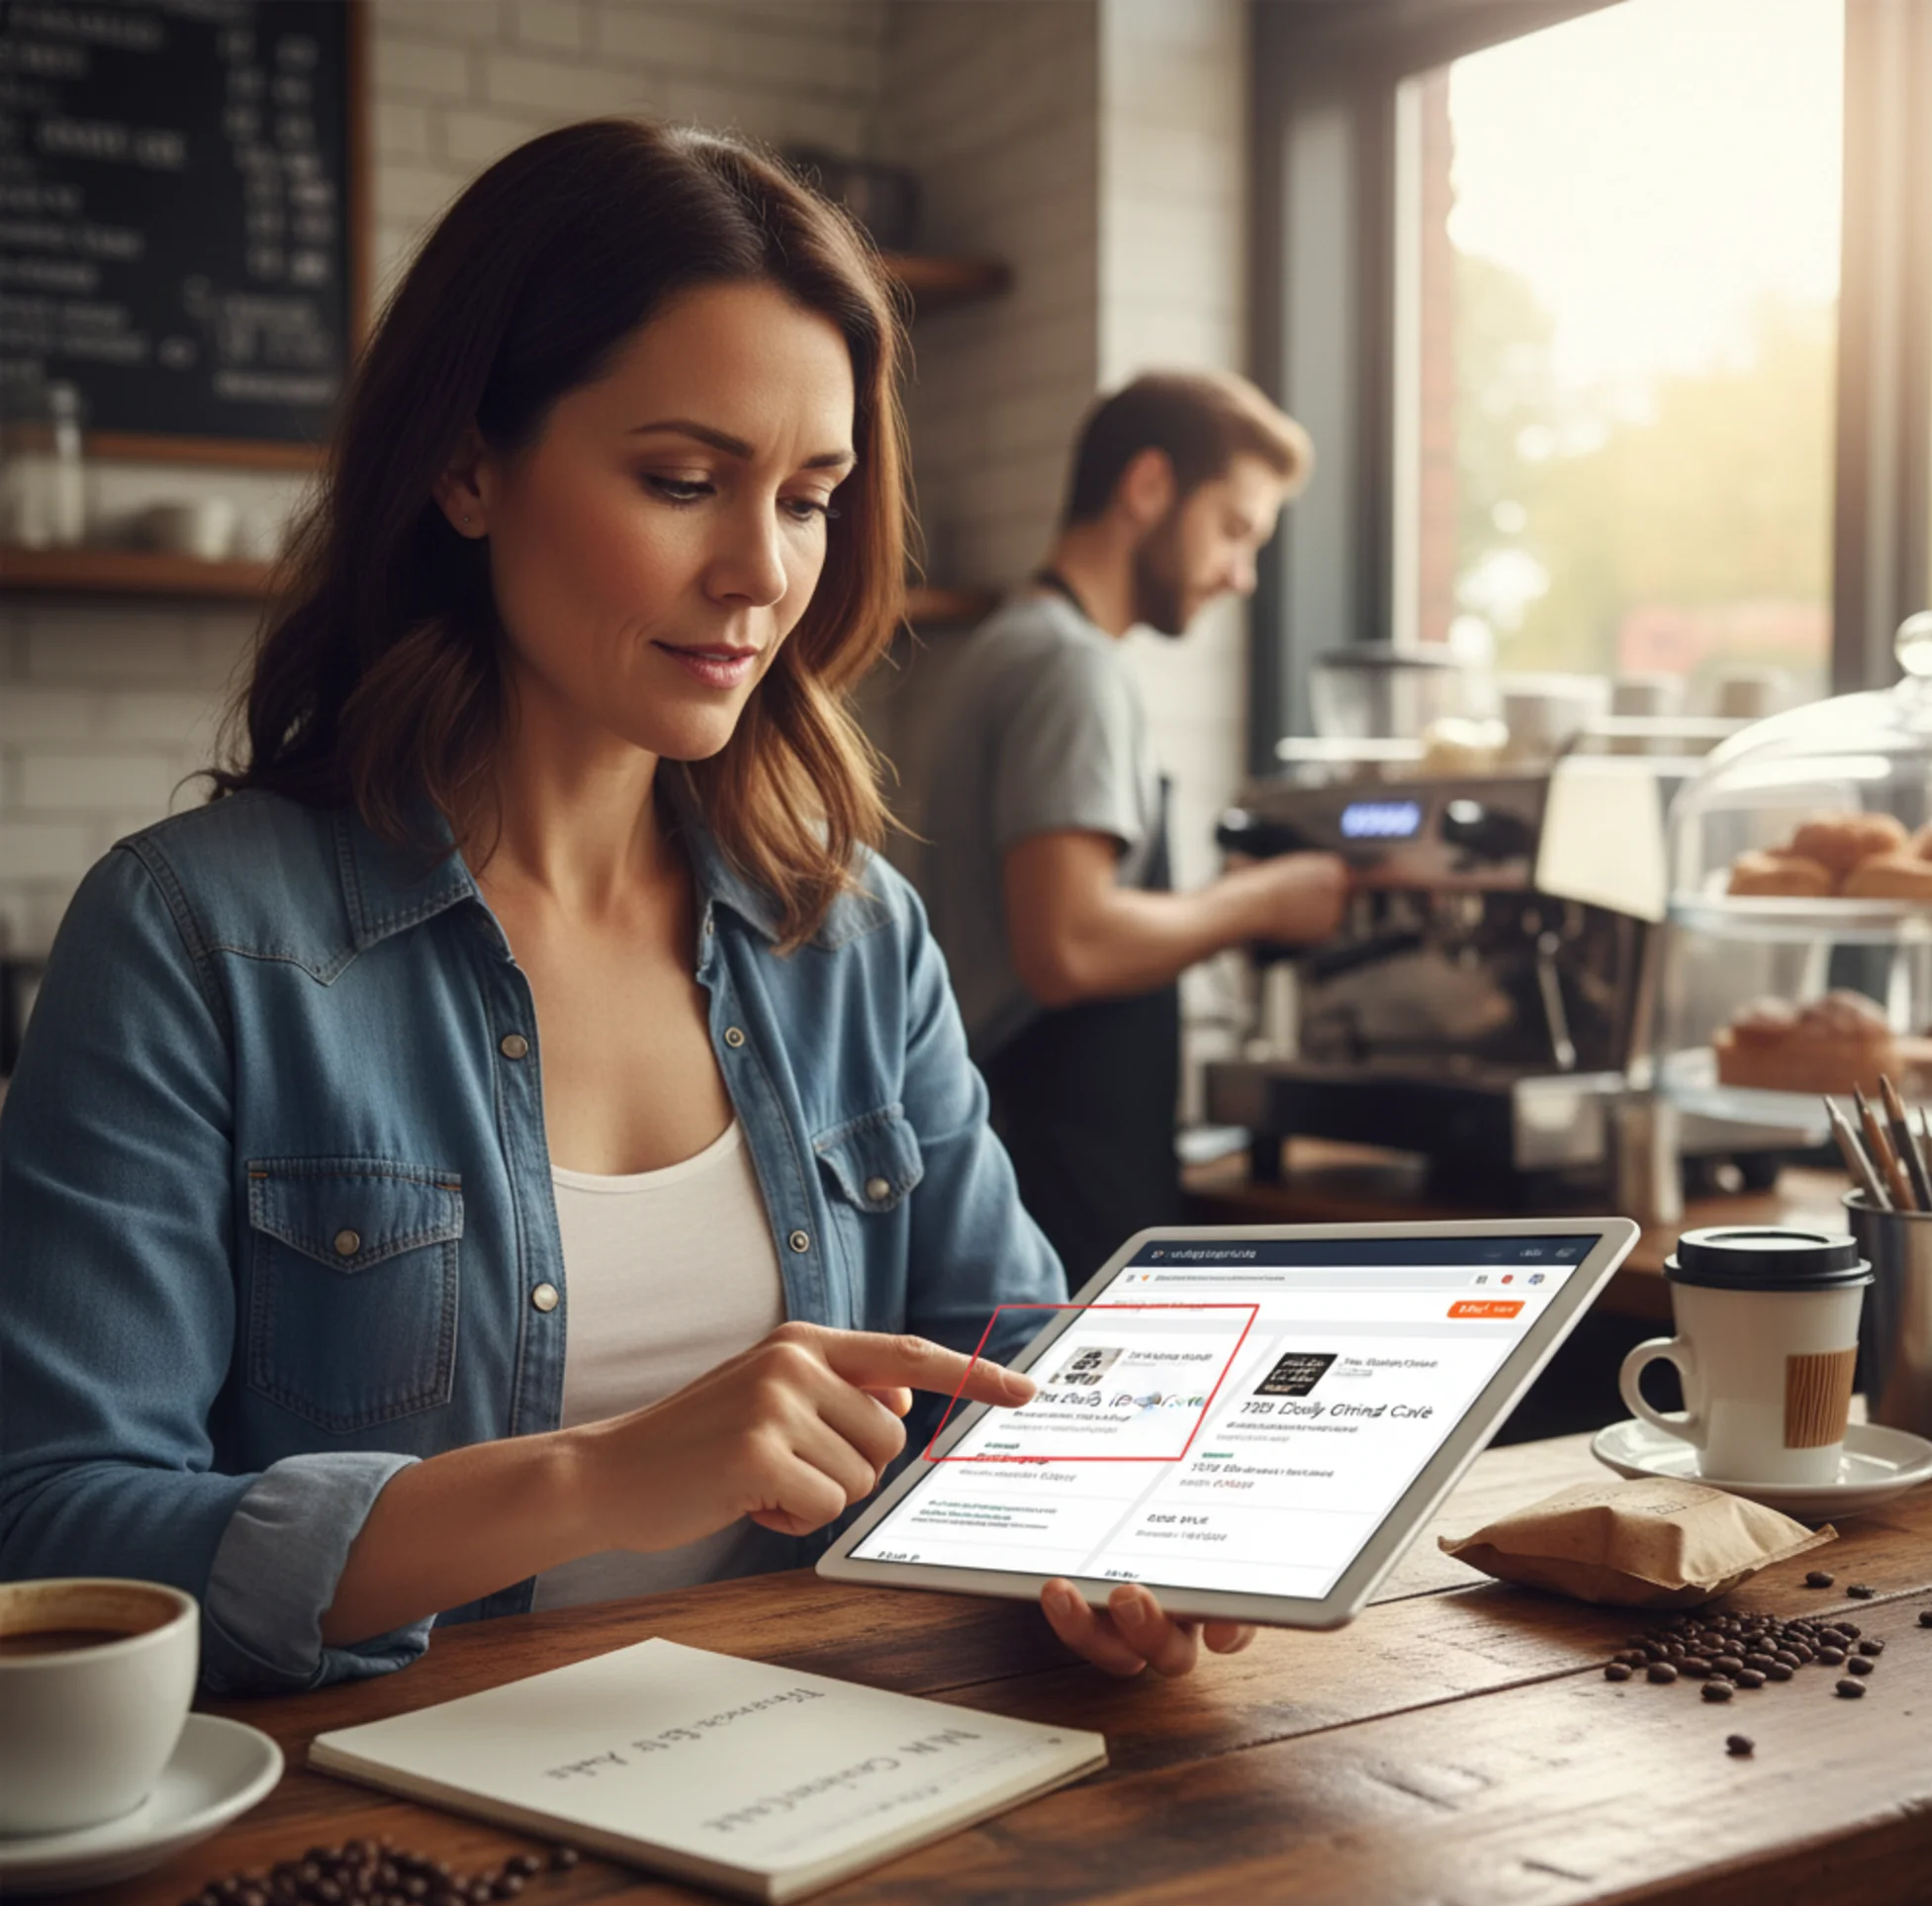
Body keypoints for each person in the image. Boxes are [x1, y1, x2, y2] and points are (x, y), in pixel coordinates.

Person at [0, 124, 1255, 1688]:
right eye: (681, 481)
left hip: (822, 1782)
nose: (759, 572)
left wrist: (1121, 1536)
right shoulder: (196, 941)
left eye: (810, 498)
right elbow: (51, 1531)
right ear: (467, 464)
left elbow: (1018, 1382)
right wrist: (597, 1477)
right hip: (391, 1842)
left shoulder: (855, 937)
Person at [921, 374, 1349, 1289]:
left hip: (1020, 1145)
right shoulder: (1071, 669)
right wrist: (1264, 900)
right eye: (1234, 529)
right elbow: (1067, 946)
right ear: (1149, 487)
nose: (1242, 574)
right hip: (1055, 1170)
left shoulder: (1008, 644)